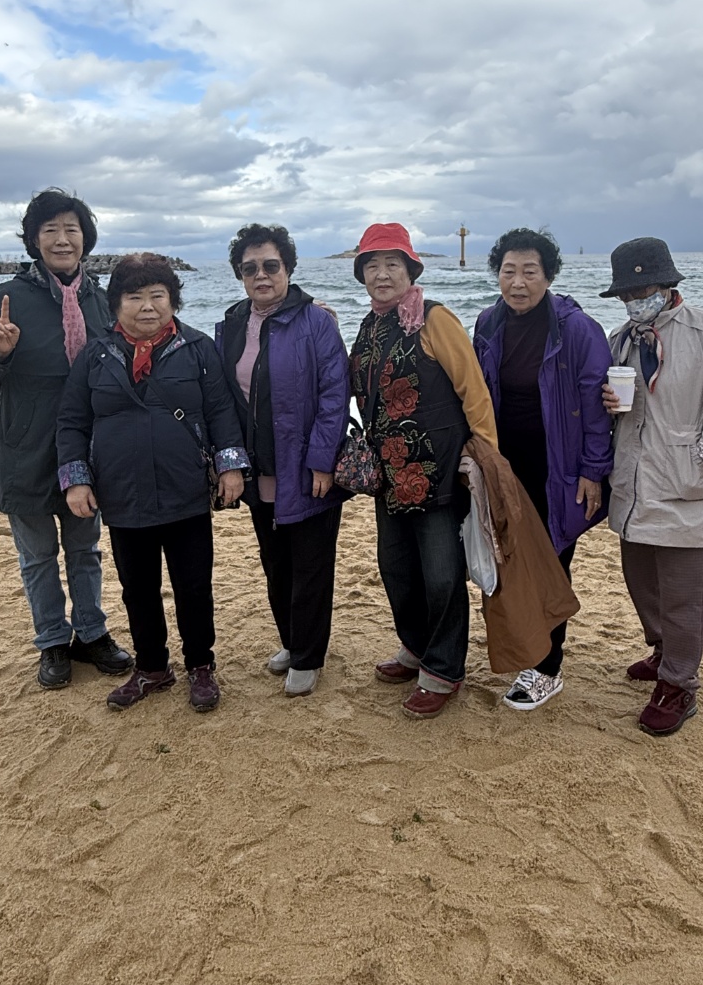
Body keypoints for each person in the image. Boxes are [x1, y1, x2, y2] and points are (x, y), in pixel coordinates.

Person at [57, 254, 248, 713]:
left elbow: (221, 411)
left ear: (173, 300)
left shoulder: (197, 348)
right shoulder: (95, 355)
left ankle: (201, 665)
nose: (147, 306)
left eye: (157, 295)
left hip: (185, 490)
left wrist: (230, 467)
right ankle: (151, 667)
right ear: (116, 304)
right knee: (137, 588)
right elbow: (72, 421)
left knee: (193, 585)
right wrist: (76, 480)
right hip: (122, 492)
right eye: (135, 297)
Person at [0, 188, 132, 690]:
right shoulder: (10, 297)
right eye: (50, 230)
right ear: (34, 240)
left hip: (85, 445)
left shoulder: (100, 299)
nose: (62, 239)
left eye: (71, 230)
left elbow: (132, 350)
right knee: (37, 555)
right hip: (25, 444)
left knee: (86, 549)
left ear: (85, 239)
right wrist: (1, 351)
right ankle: (53, 641)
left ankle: (92, 633)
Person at [600, 237, 703, 736]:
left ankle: (679, 684)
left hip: (689, 484)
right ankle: (665, 652)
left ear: (666, 286)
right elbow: (617, 408)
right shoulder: (621, 339)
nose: (634, 300)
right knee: (643, 582)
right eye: (626, 293)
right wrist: (608, 404)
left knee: (687, 593)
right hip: (635, 483)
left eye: (642, 290)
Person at [350, 223, 499, 719]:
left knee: (441, 575)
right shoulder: (369, 327)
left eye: (392, 264)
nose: (382, 274)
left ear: (411, 270)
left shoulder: (435, 319)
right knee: (396, 569)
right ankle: (415, 647)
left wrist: (485, 456)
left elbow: (474, 391)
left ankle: (443, 669)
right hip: (388, 476)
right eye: (372, 265)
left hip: (438, 472)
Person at [473, 228, 613, 711]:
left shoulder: (577, 330)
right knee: (511, 562)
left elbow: (596, 408)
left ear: (549, 276)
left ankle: (547, 669)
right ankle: (527, 649)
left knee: (553, 564)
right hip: (504, 468)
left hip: (559, 470)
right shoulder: (488, 322)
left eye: (530, 272)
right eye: (508, 271)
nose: (518, 282)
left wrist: (593, 471)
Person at [216, 223, 350, 697]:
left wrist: (322, 460)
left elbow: (335, 395)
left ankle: (309, 656)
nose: (261, 275)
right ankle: (292, 642)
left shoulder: (317, 321)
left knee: (311, 565)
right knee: (275, 563)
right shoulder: (232, 323)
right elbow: (224, 398)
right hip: (260, 468)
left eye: (271, 265)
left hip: (307, 468)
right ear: (240, 275)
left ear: (288, 268)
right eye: (249, 268)